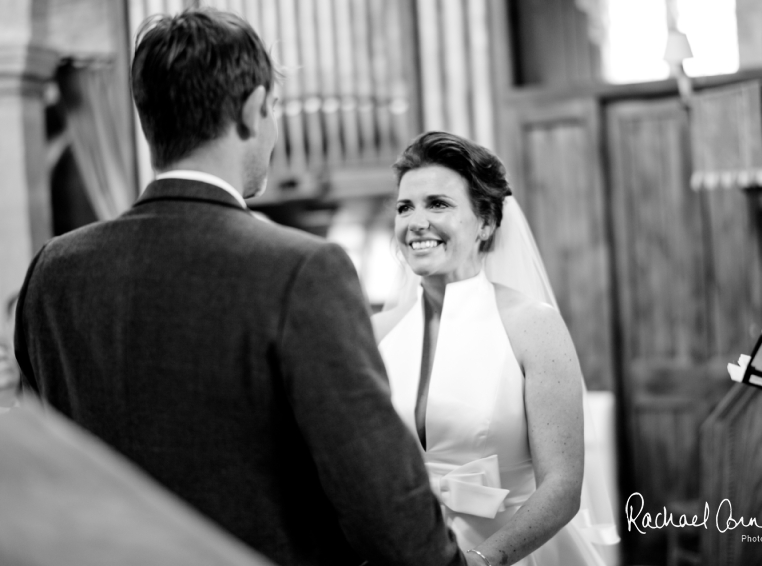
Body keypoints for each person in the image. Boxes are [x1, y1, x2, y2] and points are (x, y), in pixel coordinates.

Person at [15, 10, 468, 566]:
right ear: (254, 111)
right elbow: (388, 509)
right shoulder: (301, 271)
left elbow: (43, 469)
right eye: (274, 110)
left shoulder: (53, 273)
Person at [372, 132, 618, 566]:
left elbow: (561, 487)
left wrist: (482, 559)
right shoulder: (377, 332)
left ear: (485, 222)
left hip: (514, 555)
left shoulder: (532, 326)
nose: (416, 222)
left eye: (438, 204)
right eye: (404, 207)